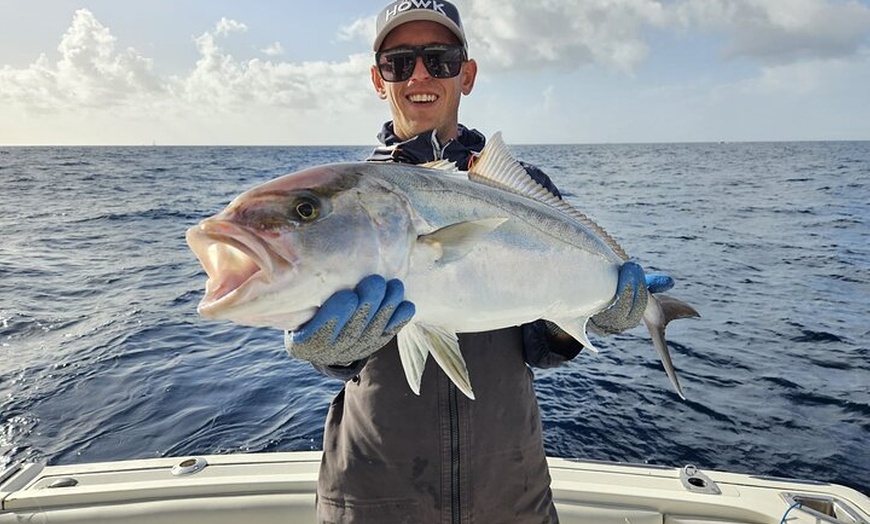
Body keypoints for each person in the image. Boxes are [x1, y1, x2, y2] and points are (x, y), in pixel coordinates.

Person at [285, 2, 649, 522]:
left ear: (467, 74)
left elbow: (540, 346)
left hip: (510, 492)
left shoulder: (526, 190)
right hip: (373, 494)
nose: (419, 76)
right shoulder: (350, 199)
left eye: (440, 58)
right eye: (399, 62)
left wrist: (586, 318)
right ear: (377, 78)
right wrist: (326, 349)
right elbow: (315, 319)